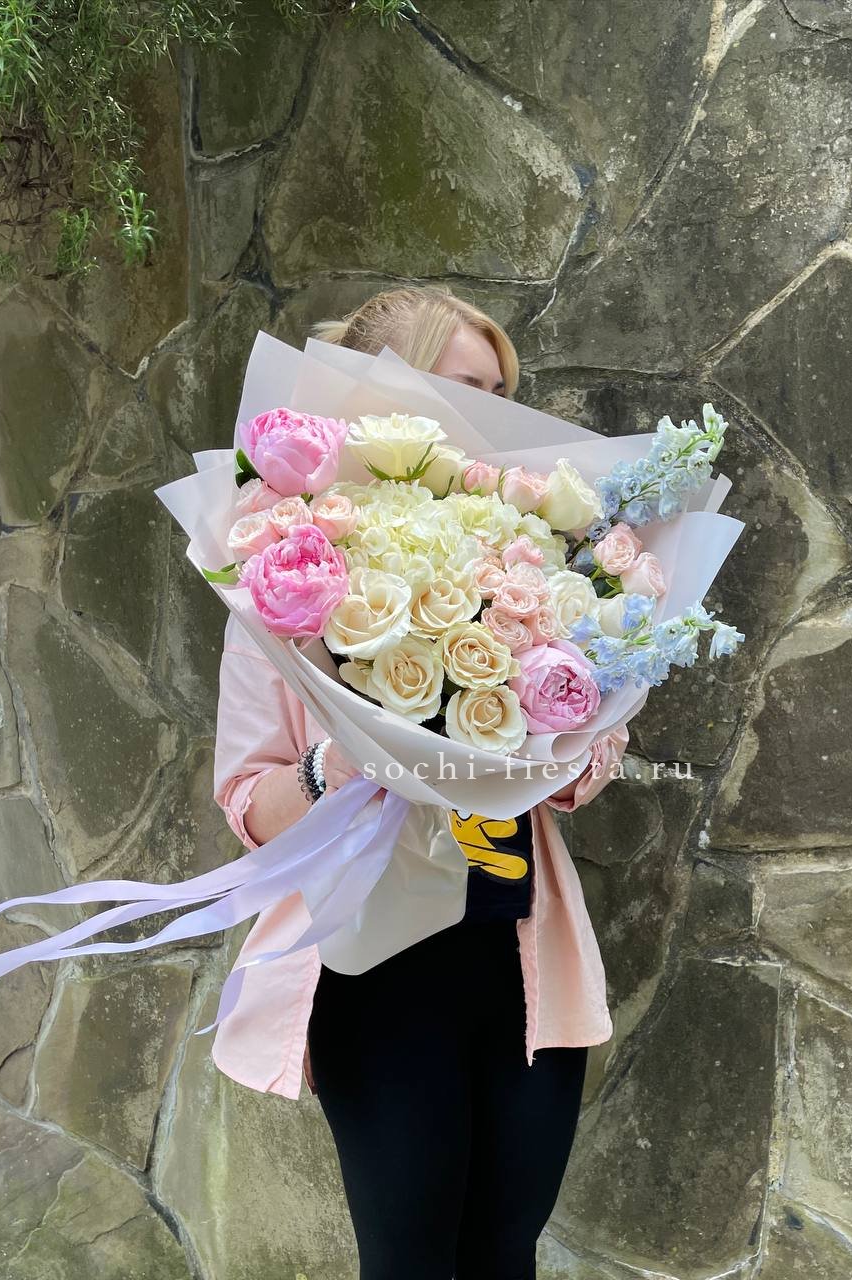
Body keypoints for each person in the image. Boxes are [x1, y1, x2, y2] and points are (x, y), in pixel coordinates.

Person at [211, 285, 630, 1279]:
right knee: (407, 1259)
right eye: (462, 387)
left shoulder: (538, 557)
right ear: (380, 397)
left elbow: (592, 753)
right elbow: (248, 802)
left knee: (506, 1250)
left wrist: (561, 743)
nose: (490, 414)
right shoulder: (287, 575)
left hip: (516, 951)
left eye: (500, 393)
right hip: (373, 967)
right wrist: (348, 757)